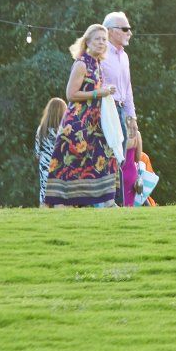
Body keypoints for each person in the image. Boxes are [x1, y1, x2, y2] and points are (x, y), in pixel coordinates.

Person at [45, 24, 122, 207]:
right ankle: (60, 202)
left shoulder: (97, 64)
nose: (101, 43)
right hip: (78, 121)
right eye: (97, 39)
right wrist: (98, 93)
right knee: (71, 161)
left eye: (104, 39)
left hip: (95, 122)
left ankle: (108, 201)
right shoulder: (81, 64)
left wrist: (105, 93)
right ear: (87, 41)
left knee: (105, 155)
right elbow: (71, 94)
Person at [100, 12, 140, 206]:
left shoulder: (124, 57)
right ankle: (107, 201)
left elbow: (127, 88)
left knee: (120, 158)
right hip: (106, 110)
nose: (129, 33)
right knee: (107, 156)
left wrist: (132, 117)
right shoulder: (100, 54)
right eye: (125, 29)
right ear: (110, 31)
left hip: (121, 111)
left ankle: (116, 203)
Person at [35, 98, 66, 207]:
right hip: (60, 168)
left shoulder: (41, 129)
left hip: (45, 168)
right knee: (59, 199)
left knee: (44, 199)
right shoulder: (65, 130)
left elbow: (37, 153)